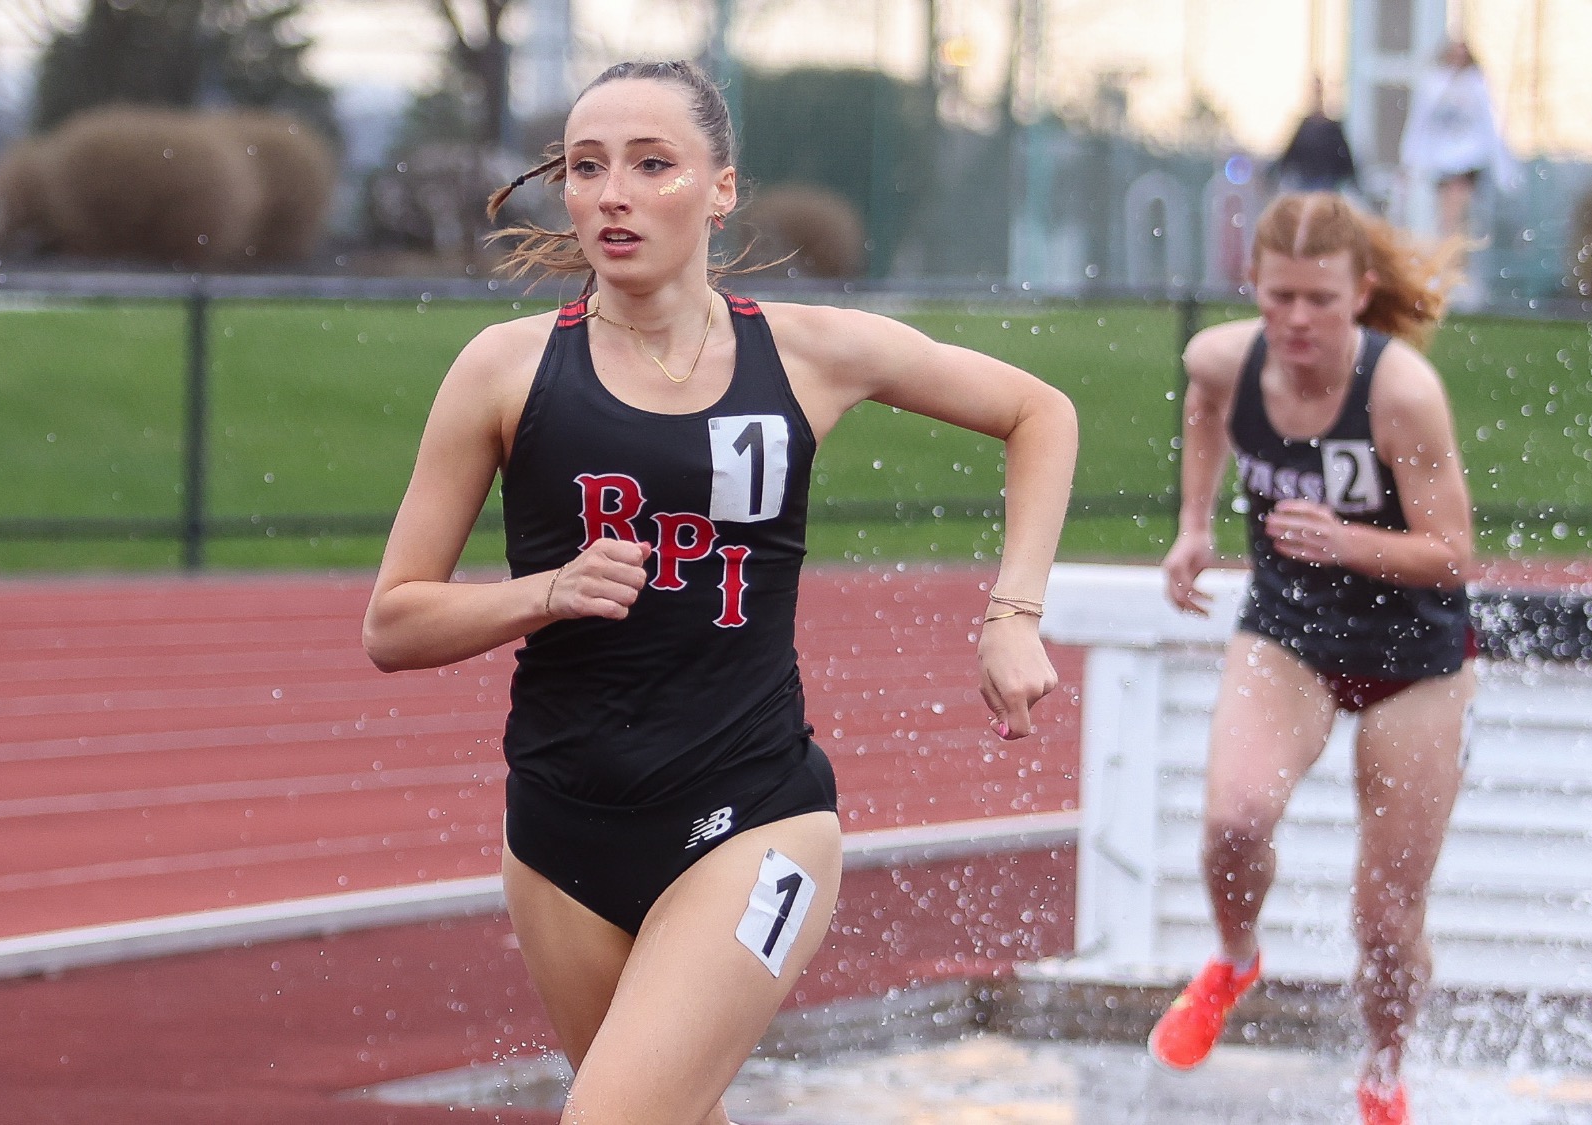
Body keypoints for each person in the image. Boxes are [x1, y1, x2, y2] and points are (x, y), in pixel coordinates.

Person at [360, 60, 1077, 1125]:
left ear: (719, 188)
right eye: (587, 166)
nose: (615, 193)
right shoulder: (504, 371)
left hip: (755, 819)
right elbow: (392, 623)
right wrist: (544, 592)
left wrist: (1011, 614)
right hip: (559, 835)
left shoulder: (804, 353)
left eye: (653, 165)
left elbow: (1038, 412)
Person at [1150, 192, 1474, 1125]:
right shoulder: (1222, 357)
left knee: (1383, 919)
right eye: (1278, 295)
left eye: (1320, 301)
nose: (1295, 320)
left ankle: (1383, 1069)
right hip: (1289, 632)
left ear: (1360, 294)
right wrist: (1192, 526)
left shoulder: (1400, 389)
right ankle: (1234, 958)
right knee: (1235, 820)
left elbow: (1452, 554)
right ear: (1253, 286)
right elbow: (1206, 405)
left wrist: (1349, 541)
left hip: (1417, 656)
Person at [1399, 39, 1518, 242]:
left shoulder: (1477, 85)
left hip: (1468, 160)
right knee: (1449, 217)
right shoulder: (1434, 84)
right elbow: (1420, 123)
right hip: (1443, 161)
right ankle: (1452, 251)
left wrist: (1503, 168)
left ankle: (1454, 251)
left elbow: (1489, 126)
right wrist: (1410, 160)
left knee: (1458, 214)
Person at [1275, 75, 1359, 195]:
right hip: (1306, 185)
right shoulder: (1304, 126)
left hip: (1326, 186)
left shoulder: (1332, 128)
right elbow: (1288, 156)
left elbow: (1346, 161)